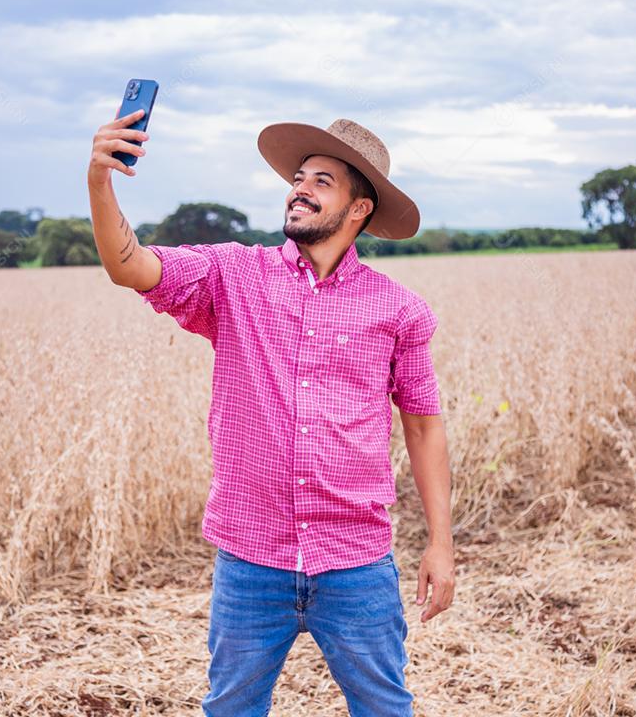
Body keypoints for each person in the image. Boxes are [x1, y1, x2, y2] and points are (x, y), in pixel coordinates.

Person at [88, 111, 456, 716]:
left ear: (359, 209)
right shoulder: (232, 275)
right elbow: (128, 266)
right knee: (230, 708)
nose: (300, 188)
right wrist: (100, 181)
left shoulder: (399, 310)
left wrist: (441, 544)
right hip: (250, 560)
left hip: (356, 561)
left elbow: (422, 423)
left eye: (322, 181)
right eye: (299, 176)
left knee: (385, 708)